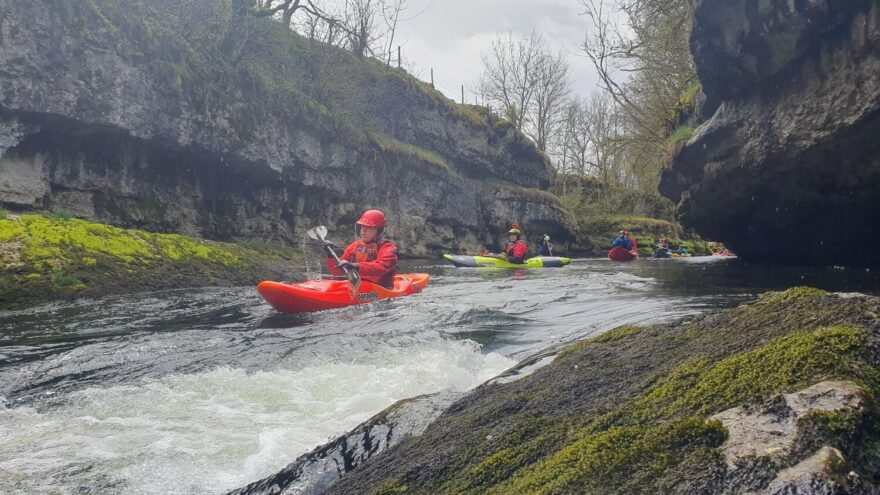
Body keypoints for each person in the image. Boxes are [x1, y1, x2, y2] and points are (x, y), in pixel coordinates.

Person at [324, 209, 398, 289]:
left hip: (381, 288)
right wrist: (330, 255)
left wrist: (355, 266)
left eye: (369, 227)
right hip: (358, 286)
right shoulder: (355, 246)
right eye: (362, 227)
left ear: (378, 230)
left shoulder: (387, 248)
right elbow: (337, 272)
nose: (363, 231)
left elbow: (381, 267)